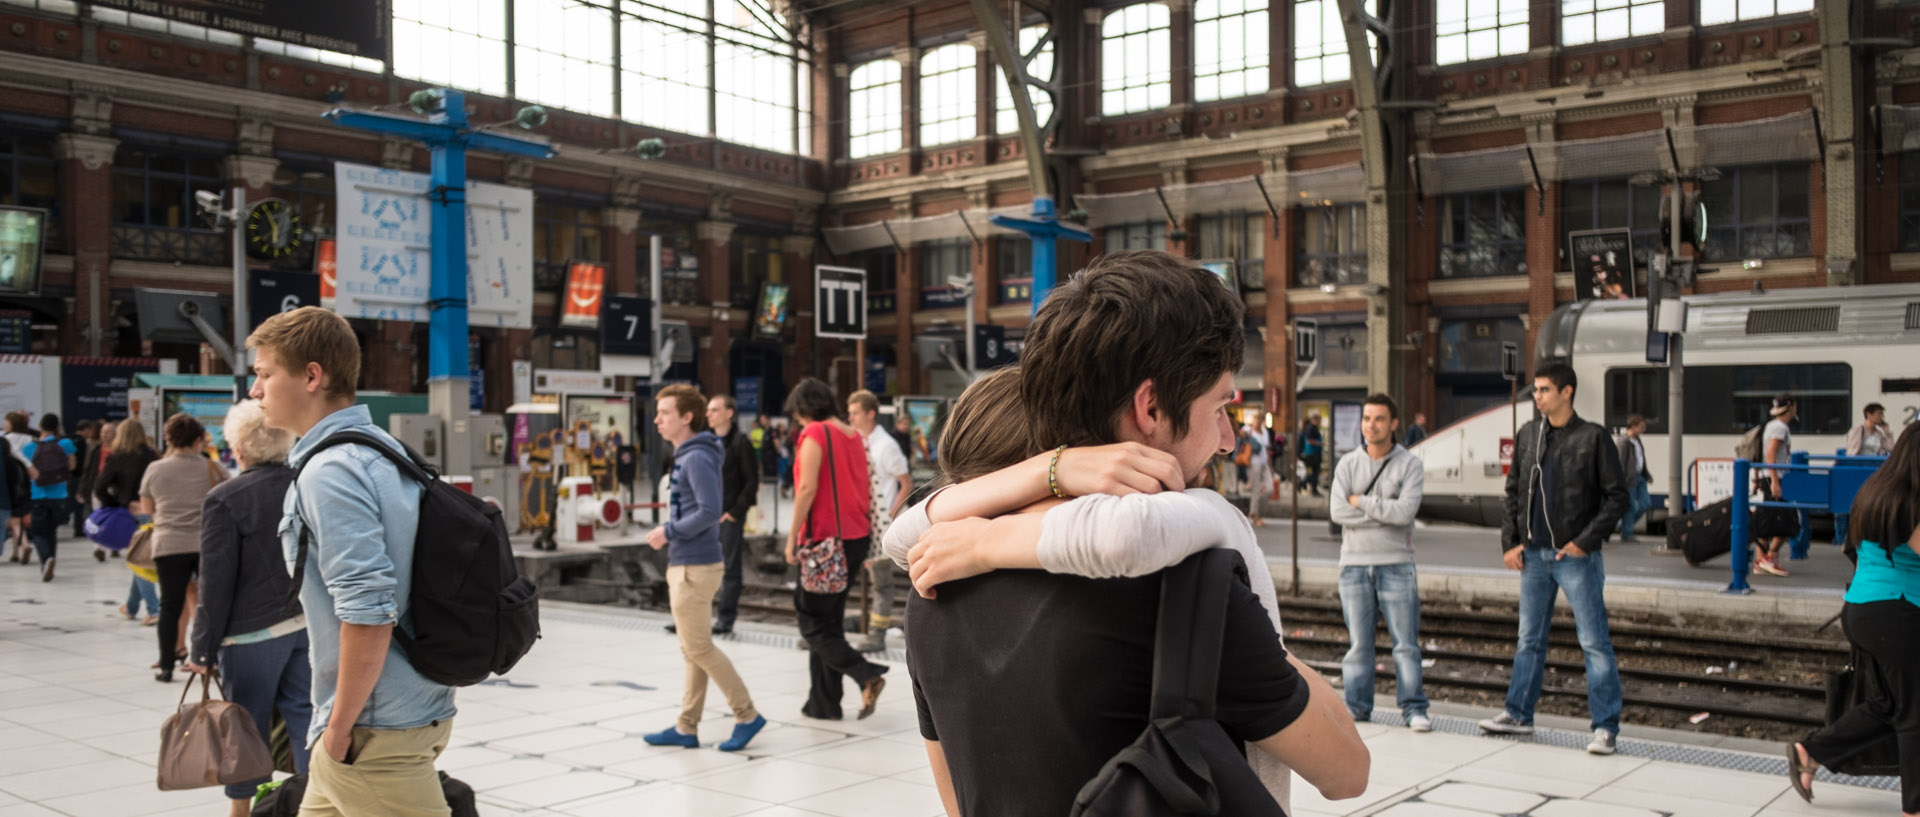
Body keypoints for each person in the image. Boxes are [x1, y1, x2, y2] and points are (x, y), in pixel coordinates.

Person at [905, 251, 1368, 816]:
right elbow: (1347, 769)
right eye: (1220, 404)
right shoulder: (1184, 591)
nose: (1227, 439)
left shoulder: (932, 578)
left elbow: (958, 804)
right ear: (1150, 407)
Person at [881, 366, 1306, 809]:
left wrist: (1044, 480)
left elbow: (955, 800)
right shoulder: (1150, 585)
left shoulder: (928, 591)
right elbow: (1346, 770)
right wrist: (1056, 471)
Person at [248, 306, 452, 817]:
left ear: (312, 376)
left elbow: (368, 609)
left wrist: (337, 731)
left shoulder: (331, 471)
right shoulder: (382, 448)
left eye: (265, 374)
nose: (256, 391)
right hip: (392, 709)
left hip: (372, 730)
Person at [1480, 362, 1629, 755]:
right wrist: (1510, 543)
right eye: (1536, 390)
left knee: (1594, 642)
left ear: (1567, 392)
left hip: (1574, 556)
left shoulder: (1592, 438)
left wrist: (1585, 541)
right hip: (1532, 556)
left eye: (1544, 390)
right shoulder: (1530, 434)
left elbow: (1617, 497)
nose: (1537, 396)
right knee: (1528, 639)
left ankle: (1605, 728)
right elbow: (1513, 492)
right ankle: (1518, 715)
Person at [182, 400, 313, 817]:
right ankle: (318, 803)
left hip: (250, 636)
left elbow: (214, 584)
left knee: (246, 727)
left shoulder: (225, 499)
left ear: (237, 446)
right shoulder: (306, 484)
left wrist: (201, 650)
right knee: (307, 720)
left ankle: (242, 812)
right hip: (307, 624)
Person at [1788, 423, 1920, 812]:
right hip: (1895, 614)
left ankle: (1809, 753)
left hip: (1861, 609)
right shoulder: (1913, 503)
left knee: (1887, 704)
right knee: (1915, 714)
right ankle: (1914, 807)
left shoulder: (1874, 493)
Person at [642, 385, 765, 752]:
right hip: (688, 562)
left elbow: (710, 512)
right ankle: (687, 725)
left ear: (686, 417)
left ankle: (746, 714)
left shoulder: (694, 457)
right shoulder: (688, 453)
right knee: (692, 649)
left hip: (694, 566)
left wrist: (668, 531)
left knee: (700, 649)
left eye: (664, 413)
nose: (657, 419)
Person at [782, 377, 888, 721]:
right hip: (855, 537)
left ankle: (865, 673)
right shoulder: (854, 435)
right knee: (829, 621)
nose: (797, 421)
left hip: (824, 539)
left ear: (805, 408)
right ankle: (823, 703)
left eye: (797, 414)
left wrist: (792, 536)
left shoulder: (815, 433)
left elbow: (807, 488)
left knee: (811, 621)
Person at [1329, 393, 1429, 731]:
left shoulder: (1409, 464)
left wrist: (1361, 502)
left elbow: (1405, 513)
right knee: (1358, 645)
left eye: (1379, 419)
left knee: (1405, 645)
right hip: (1353, 565)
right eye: (1367, 418)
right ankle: (1357, 708)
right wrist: (1381, 509)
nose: (1371, 425)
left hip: (1397, 563)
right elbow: (1337, 511)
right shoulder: (1347, 464)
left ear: (1394, 424)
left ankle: (1414, 708)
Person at [140, 413, 227, 681]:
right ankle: (209, 660)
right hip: (207, 545)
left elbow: (147, 509)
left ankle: (167, 664)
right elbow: (226, 504)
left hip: (169, 544)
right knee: (210, 603)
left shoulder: (156, 468)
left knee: (170, 605)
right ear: (199, 439)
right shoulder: (213, 469)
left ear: (169, 439)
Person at [849, 389, 911, 652]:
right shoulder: (857, 441)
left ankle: (877, 633)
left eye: (855, 412)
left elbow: (906, 483)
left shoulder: (886, 445)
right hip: (862, 520)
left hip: (880, 523)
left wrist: (889, 515)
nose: (850, 417)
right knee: (861, 576)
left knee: (881, 582)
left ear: (870, 414)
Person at [98, 418, 160, 624]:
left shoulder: (117, 458)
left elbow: (100, 487)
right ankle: (131, 607)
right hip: (153, 512)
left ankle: (154, 610)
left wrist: (115, 502)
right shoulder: (152, 456)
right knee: (139, 558)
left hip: (130, 514)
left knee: (139, 560)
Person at [706, 394, 759, 636]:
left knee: (729, 569)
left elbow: (751, 482)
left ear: (729, 413)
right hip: (705, 517)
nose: (709, 414)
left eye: (715, 409)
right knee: (700, 568)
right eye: (709, 409)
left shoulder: (740, 443)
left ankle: (725, 619)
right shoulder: (705, 442)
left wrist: (734, 513)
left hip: (727, 517)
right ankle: (693, 617)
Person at [22, 413, 77, 581]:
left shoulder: (29, 447)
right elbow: (72, 466)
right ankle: (50, 559)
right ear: (57, 426)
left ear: (40, 425)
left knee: (39, 532)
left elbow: (27, 473)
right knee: (51, 531)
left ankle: (46, 559)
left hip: (37, 494)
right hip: (60, 494)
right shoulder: (65, 443)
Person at [1755, 395, 1801, 577]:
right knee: (1789, 522)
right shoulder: (1780, 428)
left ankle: (1761, 561)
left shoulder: (1772, 425)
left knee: (1767, 520)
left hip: (1772, 478)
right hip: (1777, 479)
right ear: (1790, 406)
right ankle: (1769, 557)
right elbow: (1771, 455)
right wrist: (1775, 480)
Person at [5, 410, 36, 563]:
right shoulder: (30, 438)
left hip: (10, 478)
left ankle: (23, 546)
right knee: (20, 513)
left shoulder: (6, 438)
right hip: (27, 480)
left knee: (13, 518)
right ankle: (16, 552)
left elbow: (14, 453)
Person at [1616, 415, 1651, 542]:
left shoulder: (1637, 440)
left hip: (1640, 476)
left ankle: (1625, 525)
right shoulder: (1624, 442)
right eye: (1642, 426)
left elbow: (1640, 459)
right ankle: (1627, 532)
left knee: (1645, 503)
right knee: (1631, 506)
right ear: (1634, 426)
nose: (1644, 429)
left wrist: (1647, 474)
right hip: (1629, 478)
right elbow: (1621, 462)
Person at [68, 419, 98, 540]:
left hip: (70, 476)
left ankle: (78, 527)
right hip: (79, 476)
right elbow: (86, 462)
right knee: (81, 504)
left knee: (75, 504)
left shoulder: (69, 440)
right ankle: (80, 528)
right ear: (85, 430)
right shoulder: (82, 443)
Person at [1244, 422, 1273, 526]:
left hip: (1264, 463)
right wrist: (1247, 433)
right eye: (1257, 418)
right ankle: (1256, 515)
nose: (1258, 421)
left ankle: (1254, 512)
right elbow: (1240, 434)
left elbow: (1266, 449)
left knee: (1269, 489)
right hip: (1253, 463)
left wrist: (1271, 465)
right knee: (1256, 490)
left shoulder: (1265, 431)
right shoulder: (1248, 429)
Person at [1300, 414, 1325, 497]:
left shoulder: (1313, 428)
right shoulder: (1311, 428)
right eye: (1319, 420)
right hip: (1312, 456)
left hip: (1313, 455)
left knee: (1313, 473)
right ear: (1315, 420)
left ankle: (1308, 486)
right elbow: (1310, 441)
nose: (1320, 422)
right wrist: (1321, 444)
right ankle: (1303, 484)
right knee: (1313, 473)